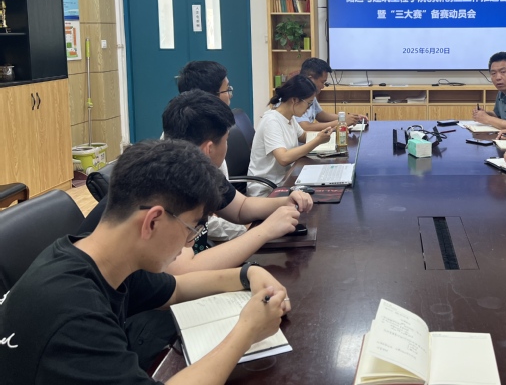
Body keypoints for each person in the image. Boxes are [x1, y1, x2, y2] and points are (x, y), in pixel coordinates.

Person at [0, 139, 289, 385]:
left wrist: (248, 274)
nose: (189, 243)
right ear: (152, 221)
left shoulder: (101, 254)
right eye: (191, 229)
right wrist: (246, 331)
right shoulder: (76, 316)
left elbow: (176, 288)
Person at [80, 90, 310, 273]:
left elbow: (240, 208)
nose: (227, 146)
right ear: (209, 148)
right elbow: (184, 270)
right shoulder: (168, 183)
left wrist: (284, 202)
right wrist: (265, 231)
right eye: (226, 140)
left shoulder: (194, 166)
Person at [249, 75, 333, 189]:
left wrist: (329, 134)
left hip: (285, 179)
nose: (308, 108)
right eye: (309, 103)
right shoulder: (271, 121)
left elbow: (303, 136)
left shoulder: (289, 117)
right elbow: (283, 158)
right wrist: (318, 140)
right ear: (294, 100)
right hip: (267, 188)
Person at [294, 57, 368, 131]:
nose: (323, 86)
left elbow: (321, 116)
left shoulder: (310, 94)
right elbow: (305, 127)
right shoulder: (297, 95)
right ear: (310, 79)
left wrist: (351, 118)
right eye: (322, 82)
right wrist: (341, 122)